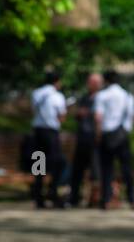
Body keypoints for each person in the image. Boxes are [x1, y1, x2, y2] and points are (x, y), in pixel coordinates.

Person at [93, 69, 134, 210]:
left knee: (107, 169)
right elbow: (131, 115)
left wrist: (98, 135)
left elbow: (98, 117)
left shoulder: (102, 95)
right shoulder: (127, 95)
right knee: (126, 168)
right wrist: (126, 130)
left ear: (106, 81)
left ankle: (105, 199)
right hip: (122, 134)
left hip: (107, 134)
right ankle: (132, 199)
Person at [30, 70, 67, 209]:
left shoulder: (36, 93)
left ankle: (38, 196)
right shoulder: (57, 96)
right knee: (58, 162)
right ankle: (53, 191)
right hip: (51, 132)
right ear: (56, 81)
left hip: (38, 131)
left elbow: (33, 111)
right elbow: (62, 116)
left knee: (39, 163)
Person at [68, 72, 103, 208]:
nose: (90, 84)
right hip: (82, 137)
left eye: (93, 82)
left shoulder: (102, 98)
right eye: (90, 82)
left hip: (94, 138)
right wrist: (79, 113)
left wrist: (99, 135)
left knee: (95, 171)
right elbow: (77, 115)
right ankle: (74, 197)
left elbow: (100, 117)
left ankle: (95, 199)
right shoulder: (84, 97)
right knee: (77, 169)